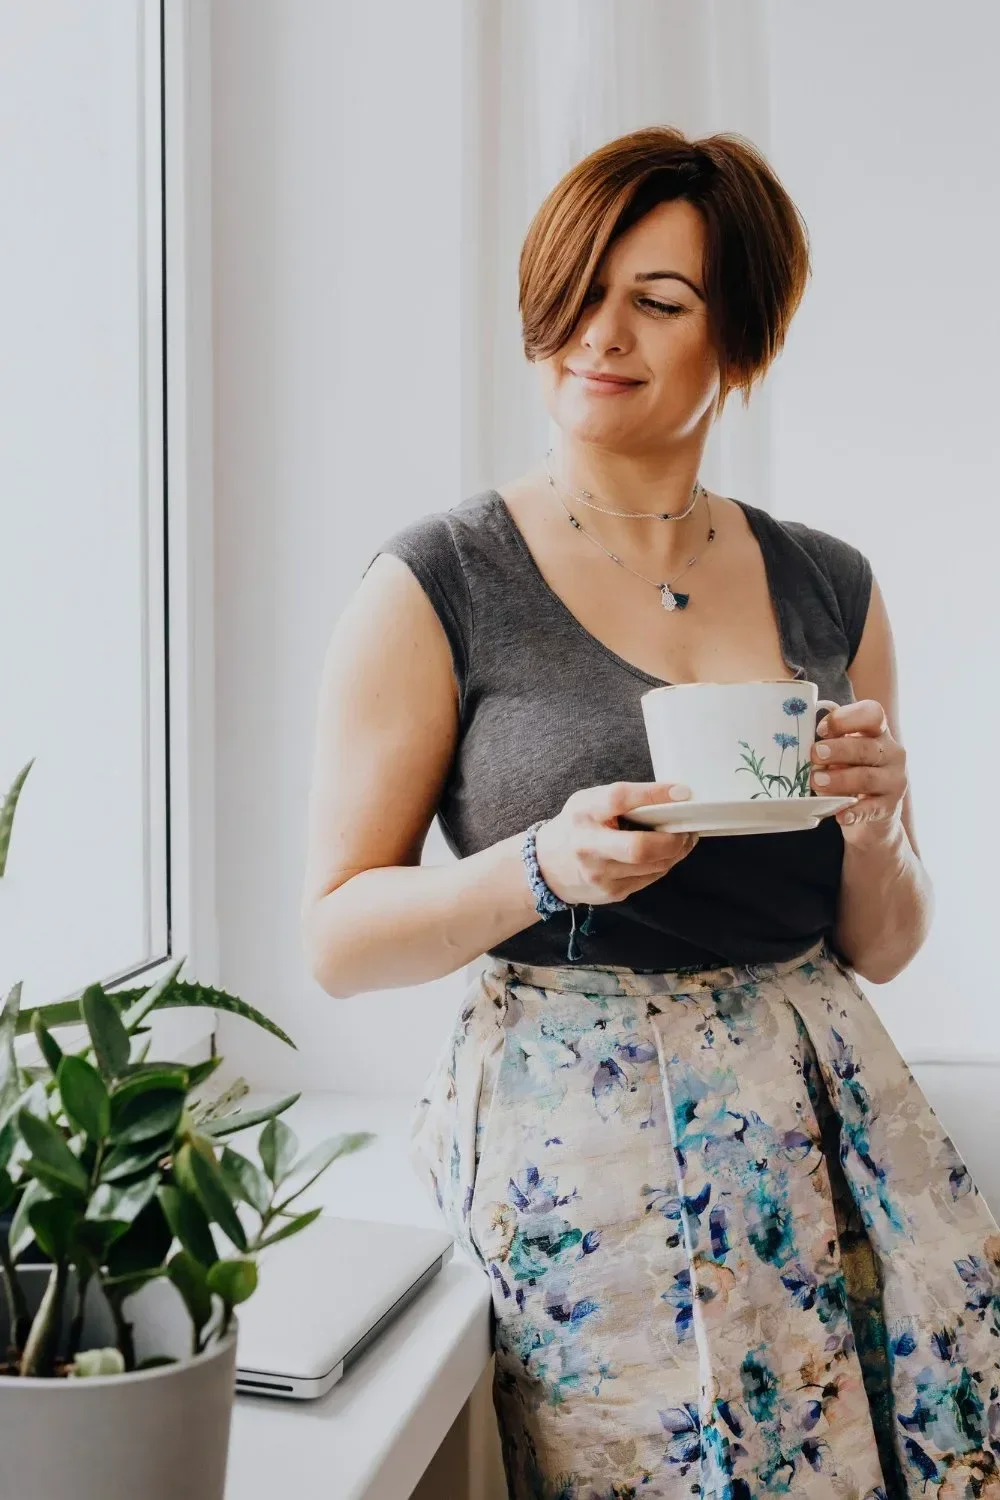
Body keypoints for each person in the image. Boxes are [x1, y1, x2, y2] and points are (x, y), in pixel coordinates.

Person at [300, 127, 1000, 1499]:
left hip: (827, 1112)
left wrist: (875, 826)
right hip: (579, 1145)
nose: (596, 333)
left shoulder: (827, 584)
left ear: (738, 338)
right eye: (577, 289)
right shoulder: (441, 578)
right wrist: (542, 866)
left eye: (658, 302)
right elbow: (337, 935)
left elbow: (883, 942)